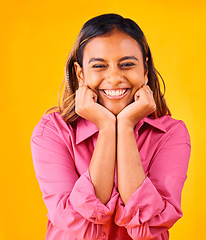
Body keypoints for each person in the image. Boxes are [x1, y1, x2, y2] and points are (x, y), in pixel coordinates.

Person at [31, 13, 191, 240]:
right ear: (80, 73)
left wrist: (125, 127)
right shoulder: (52, 132)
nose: (115, 77)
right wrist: (107, 128)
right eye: (99, 65)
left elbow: (148, 227)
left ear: (145, 70)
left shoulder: (171, 134)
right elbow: (79, 225)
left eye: (127, 64)